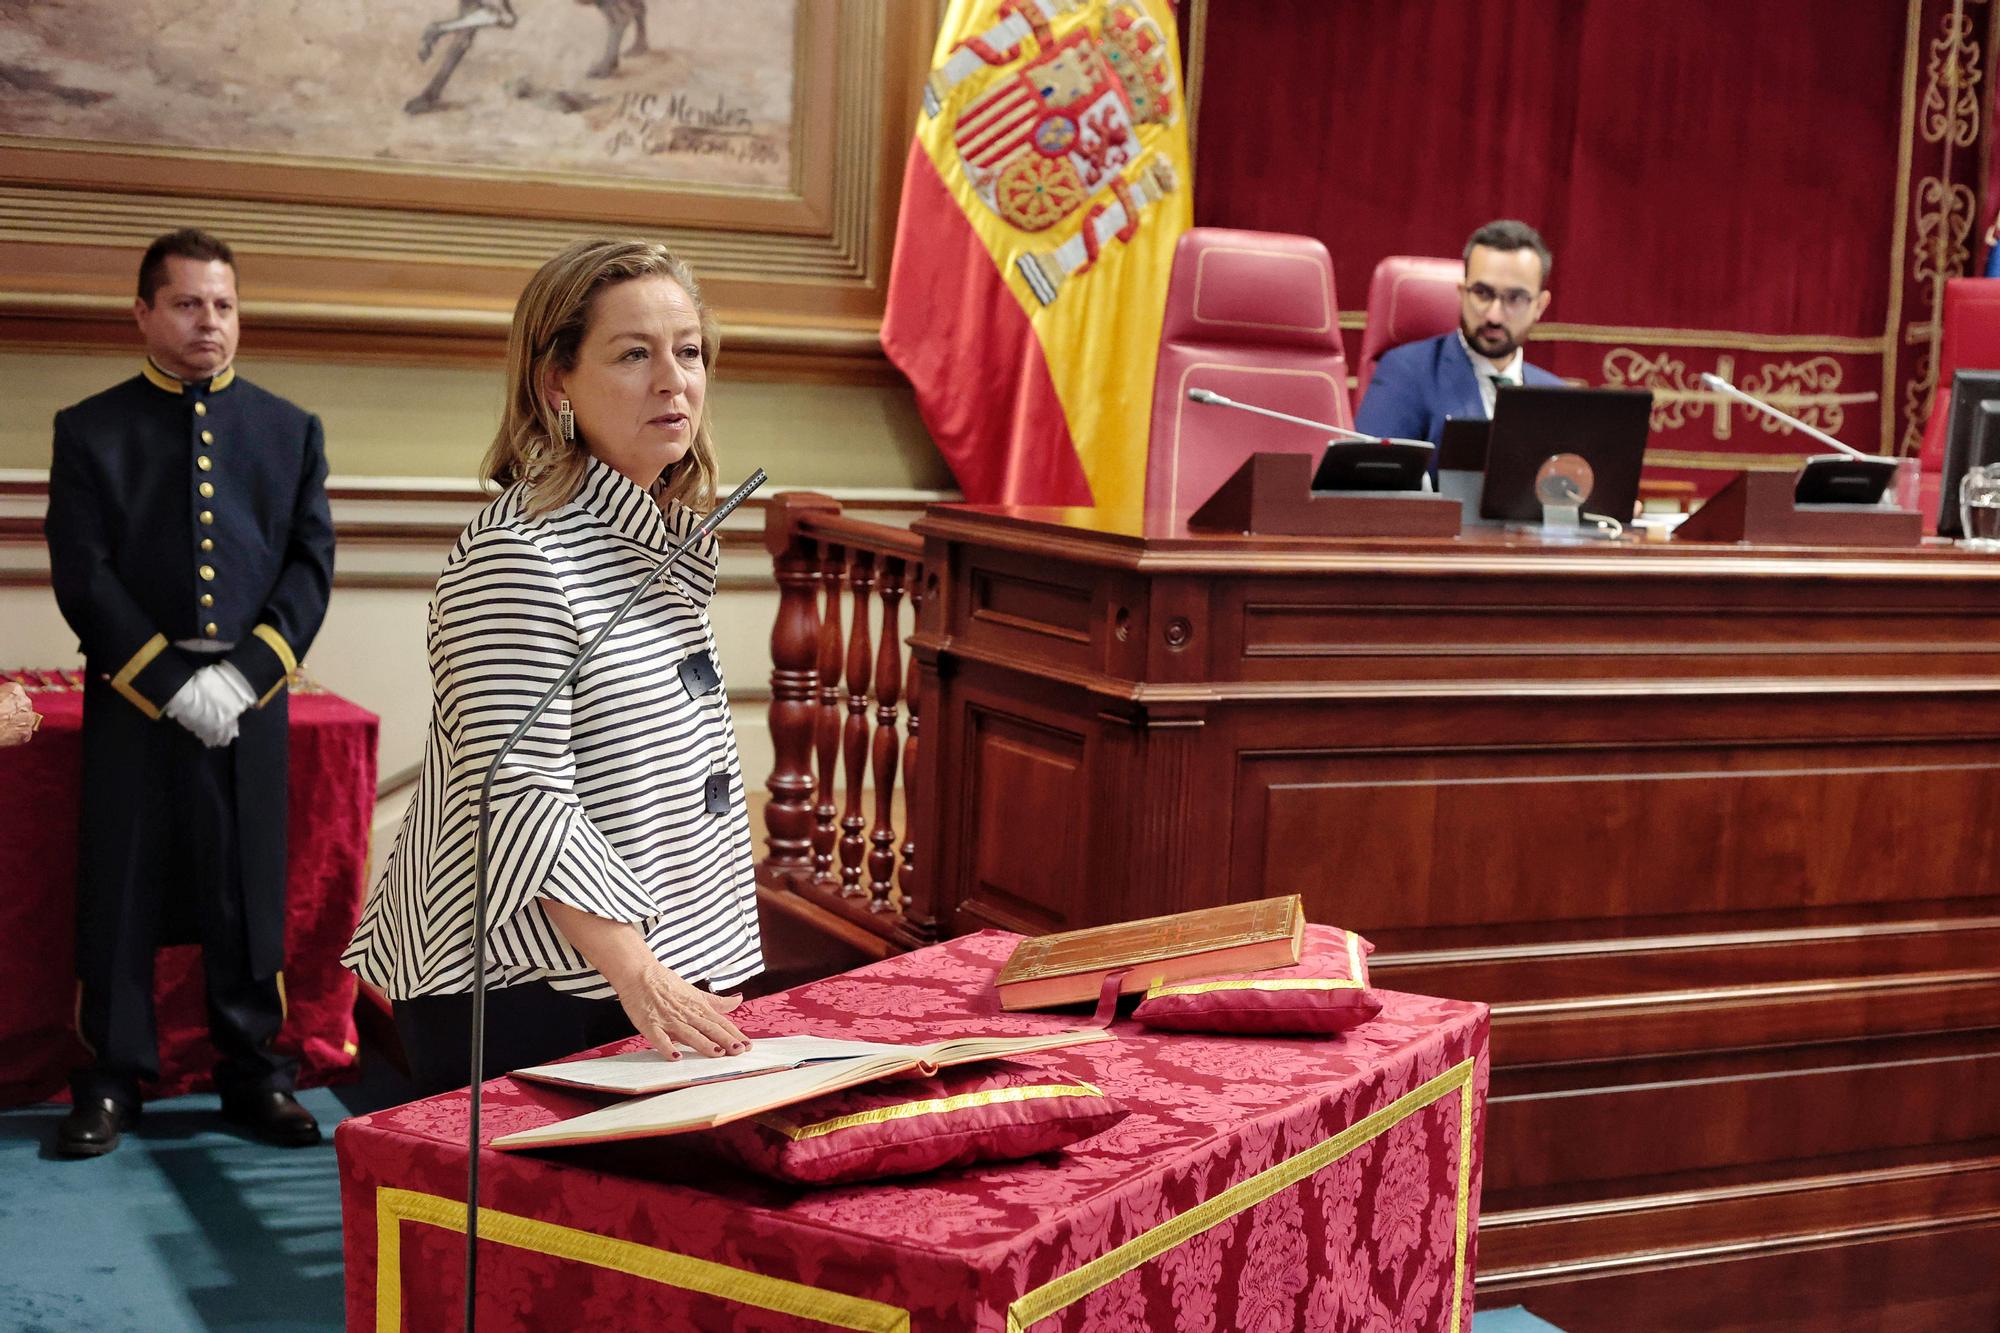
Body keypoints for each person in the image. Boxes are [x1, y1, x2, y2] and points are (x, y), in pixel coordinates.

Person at [341, 238, 761, 1095]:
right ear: (555, 383)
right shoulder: (520, 553)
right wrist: (641, 974)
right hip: (526, 984)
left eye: (688, 351)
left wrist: (708, 953)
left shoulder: (650, 533)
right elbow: (522, 794)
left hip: (638, 970)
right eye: (633, 353)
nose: (672, 379)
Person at [44, 228, 335, 1156]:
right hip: (135, 702)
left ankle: (256, 1075)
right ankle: (111, 1078)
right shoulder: (90, 429)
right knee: (122, 887)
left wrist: (246, 674)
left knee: (245, 890)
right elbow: (84, 575)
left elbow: (309, 566)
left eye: (223, 303)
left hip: (249, 704)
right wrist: (171, 683)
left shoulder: (290, 430)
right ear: (143, 311)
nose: (209, 320)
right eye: (186, 302)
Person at [1354, 219, 1563, 445]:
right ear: (1462, 293)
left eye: (1515, 298)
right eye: (1482, 293)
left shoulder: (1556, 397)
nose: (1494, 316)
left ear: (1540, 306)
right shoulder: (1407, 372)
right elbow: (1368, 475)